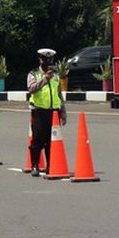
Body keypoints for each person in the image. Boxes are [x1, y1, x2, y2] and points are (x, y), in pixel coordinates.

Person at [27, 47, 67, 178]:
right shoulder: (33, 74)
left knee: (52, 141)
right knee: (37, 140)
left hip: (53, 112)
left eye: (50, 60)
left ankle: (51, 165)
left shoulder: (55, 76)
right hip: (39, 111)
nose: (48, 62)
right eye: (45, 59)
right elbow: (31, 89)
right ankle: (35, 165)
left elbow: (59, 95)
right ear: (40, 60)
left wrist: (63, 112)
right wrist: (45, 80)